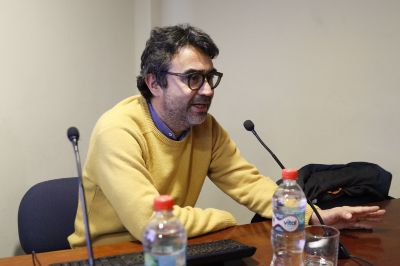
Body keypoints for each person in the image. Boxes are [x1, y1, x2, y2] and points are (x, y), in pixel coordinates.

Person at [68, 24, 385, 247]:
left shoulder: (206, 128)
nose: (206, 91)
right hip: (107, 256)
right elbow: (149, 223)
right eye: (193, 78)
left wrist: (312, 216)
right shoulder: (118, 130)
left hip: (173, 248)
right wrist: (225, 219)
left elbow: (249, 184)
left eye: (210, 78)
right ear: (154, 83)